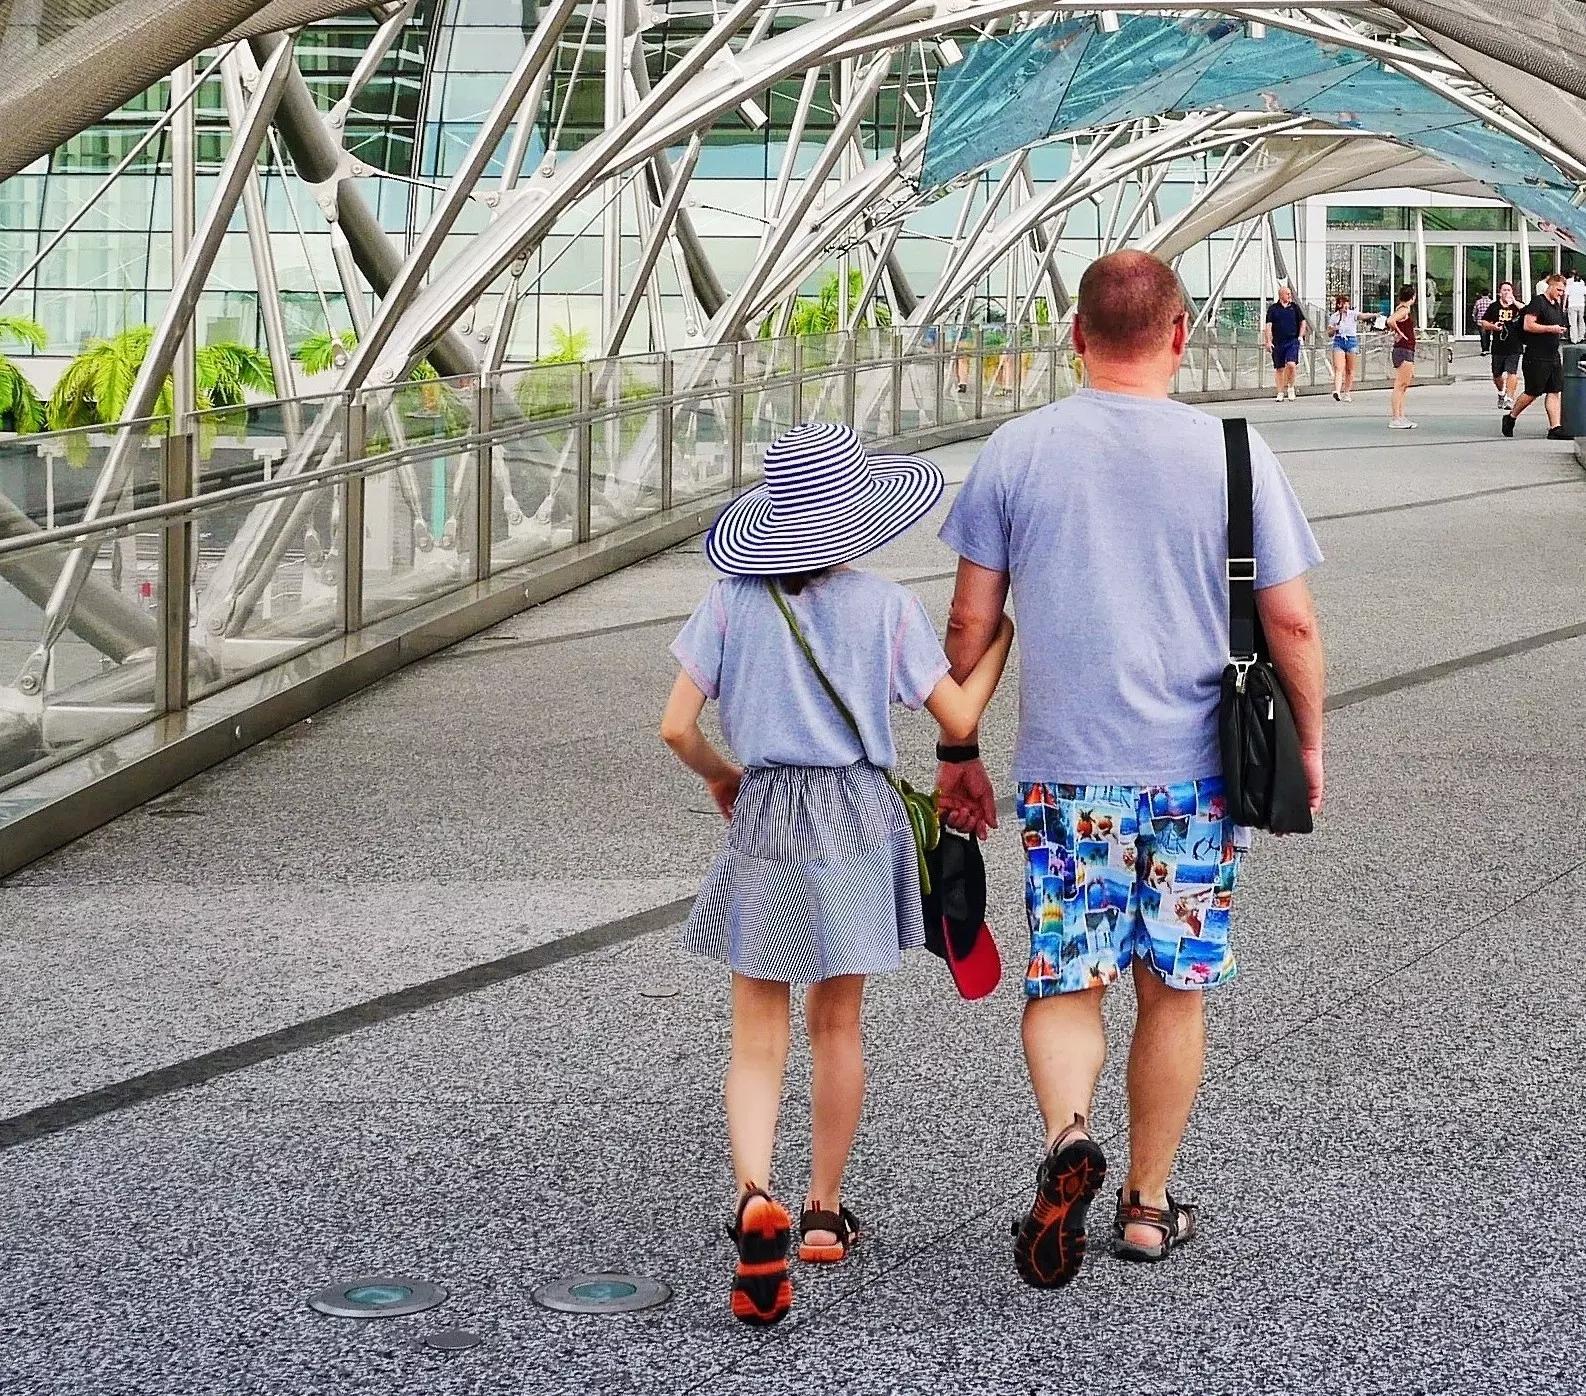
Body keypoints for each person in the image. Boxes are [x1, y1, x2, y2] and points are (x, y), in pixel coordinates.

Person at [935, 250, 1325, 1290]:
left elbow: (972, 619)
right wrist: (1312, 744)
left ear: (1074, 336)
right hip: (1198, 773)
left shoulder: (1017, 450)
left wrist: (956, 749)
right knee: (1172, 987)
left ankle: (1069, 1136)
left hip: (1068, 773)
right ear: (1179, 334)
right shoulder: (1235, 454)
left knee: (1068, 972)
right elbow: (1287, 618)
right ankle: (1147, 1206)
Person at [662, 421, 1014, 1327]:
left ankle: (753, 1200)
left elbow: (675, 727)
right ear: (856, 517)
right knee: (839, 1019)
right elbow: (960, 710)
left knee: (756, 1031)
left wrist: (721, 775)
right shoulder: (883, 608)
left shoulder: (734, 600)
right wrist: (1001, 635)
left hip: (771, 809)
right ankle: (821, 1213)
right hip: (857, 815)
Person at [1503, 272, 1572, 440]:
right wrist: (1551, 329)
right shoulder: (1538, 302)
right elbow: (1528, 325)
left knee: (1554, 390)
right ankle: (1511, 417)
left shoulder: (1555, 305)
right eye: (1559, 290)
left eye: (1563, 291)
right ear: (1550, 285)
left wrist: (1559, 329)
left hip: (1553, 355)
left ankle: (1555, 427)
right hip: (1536, 355)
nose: (1560, 294)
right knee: (1533, 392)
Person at [1480, 281, 1525, 409]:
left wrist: (1514, 302)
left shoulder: (1516, 306)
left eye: (1509, 290)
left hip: (1514, 344)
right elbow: (1483, 322)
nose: (1506, 292)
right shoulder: (1494, 307)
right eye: (1504, 290)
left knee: (1512, 372)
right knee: (1497, 374)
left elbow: (1526, 310)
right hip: (1499, 345)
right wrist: (1493, 326)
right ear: (1500, 293)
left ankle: (1509, 398)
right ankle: (1501, 393)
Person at [1261, 284, 1308, 402]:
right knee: (1279, 368)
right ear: (1281, 295)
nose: (1289, 295)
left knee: (1291, 364)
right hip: (1278, 341)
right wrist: (1268, 341)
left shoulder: (1295, 307)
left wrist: (1300, 336)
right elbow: (1268, 325)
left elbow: (1303, 322)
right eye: (1287, 293)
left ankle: (1291, 388)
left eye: (1289, 293)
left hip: (1292, 340)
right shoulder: (1273, 309)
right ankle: (1280, 392)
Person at [1387, 283, 1418, 430]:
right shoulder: (1404, 310)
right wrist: (1400, 332)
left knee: (1404, 385)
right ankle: (1396, 417)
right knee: (1400, 385)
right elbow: (1390, 320)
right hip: (1404, 349)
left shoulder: (1403, 309)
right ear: (1413, 297)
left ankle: (1400, 415)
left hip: (1406, 349)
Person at [1327, 293, 1360, 401]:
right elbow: (1329, 333)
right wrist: (1334, 328)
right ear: (1339, 305)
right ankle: (1337, 390)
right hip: (1339, 340)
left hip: (1351, 340)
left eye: (1347, 304)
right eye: (1343, 304)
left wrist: (1374, 315)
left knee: (1350, 369)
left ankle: (1347, 392)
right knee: (1339, 367)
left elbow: (1362, 316)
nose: (1345, 306)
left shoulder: (1352, 314)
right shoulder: (1334, 317)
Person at [1566, 269, 1586, 344]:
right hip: (1581, 304)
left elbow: (1566, 296)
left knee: (1573, 322)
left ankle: (1574, 339)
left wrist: (1564, 305)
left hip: (1572, 305)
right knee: (1581, 321)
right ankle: (1581, 337)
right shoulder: (1582, 283)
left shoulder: (1569, 283)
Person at [1471, 288, 1493, 353]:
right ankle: (1487, 349)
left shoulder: (1478, 302)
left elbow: (1475, 311)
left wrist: (1474, 318)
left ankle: (1483, 349)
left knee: (1482, 335)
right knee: (1488, 335)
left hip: (1480, 321)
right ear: (1488, 294)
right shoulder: (1491, 302)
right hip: (1489, 321)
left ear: (1481, 294)